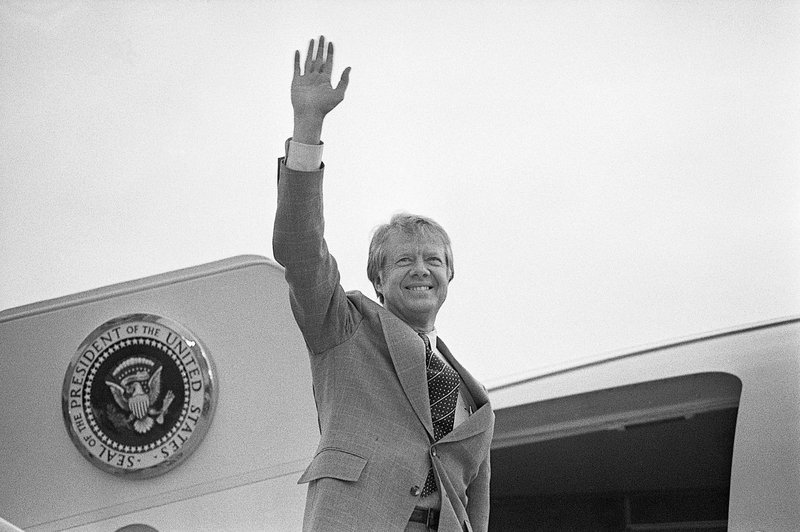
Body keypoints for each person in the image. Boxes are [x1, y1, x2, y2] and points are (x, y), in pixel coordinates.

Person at [273, 36, 494, 532]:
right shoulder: (344, 327)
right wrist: (308, 127)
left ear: (449, 276)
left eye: (432, 259)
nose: (421, 269)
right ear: (377, 279)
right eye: (403, 261)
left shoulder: (472, 395)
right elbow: (300, 248)